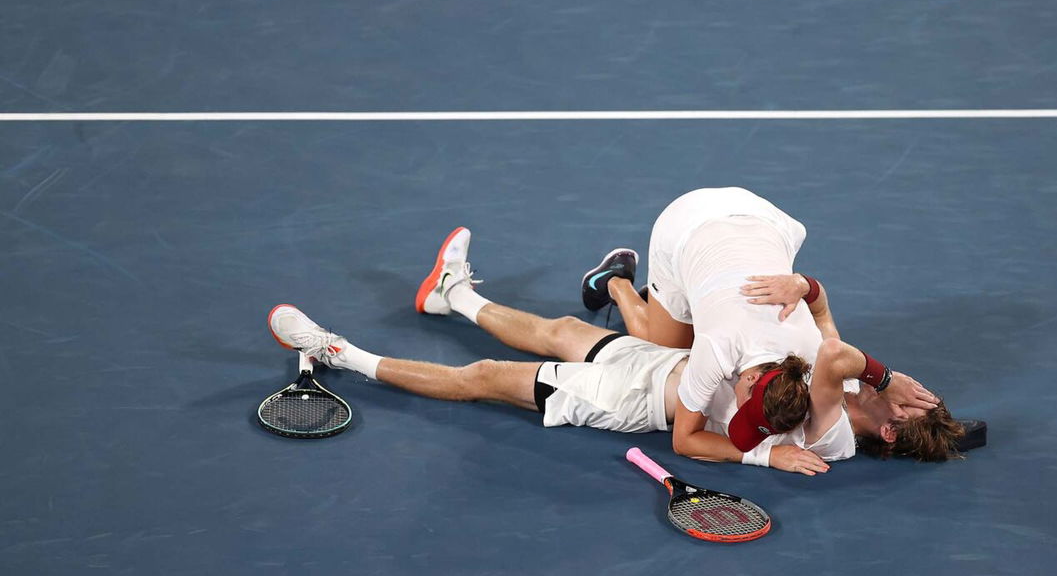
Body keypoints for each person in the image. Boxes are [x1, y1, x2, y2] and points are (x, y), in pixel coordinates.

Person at [266, 229, 963, 472]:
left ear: (894, 424)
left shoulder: (836, 426)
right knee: (556, 328)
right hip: (667, 369)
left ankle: (336, 352)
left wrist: (887, 373)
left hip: (626, 400)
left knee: (481, 377)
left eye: (904, 402)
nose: (899, 394)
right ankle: (451, 294)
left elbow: (839, 357)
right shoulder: (840, 404)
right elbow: (830, 340)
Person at [577, 187, 945, 460]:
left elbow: (833, 348)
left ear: (890, 428)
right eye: (917, 390)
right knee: (664, 348)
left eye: (912, 401)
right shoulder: (847, 376)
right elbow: (823, 319)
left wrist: (887, 379)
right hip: (710, 226)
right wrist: (804, 284)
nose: (908, 390)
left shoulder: (833, 433)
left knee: (670, 351)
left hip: (733, 222)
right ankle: (617, 284)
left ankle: (639, 290)